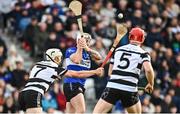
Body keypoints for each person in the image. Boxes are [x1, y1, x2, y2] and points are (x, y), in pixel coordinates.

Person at [18, 48, 103, 113]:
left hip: (23, 93)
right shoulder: (53, 68)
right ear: (51, 57)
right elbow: (76, 74)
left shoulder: (37, 65)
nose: (58, 60)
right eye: (57, 58)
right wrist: (95, 72)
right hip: (34, 93)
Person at [93, 27, 155, 113]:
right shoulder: (143, 53)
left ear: (130, 37)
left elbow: (110, 73)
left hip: (113, 87)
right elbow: (148, 70)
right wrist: (150, 83)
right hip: (129, 89)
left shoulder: (118, 50)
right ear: (142, 39)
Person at [63, 33, 102, 113]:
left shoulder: (87, 53)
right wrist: (80, 47)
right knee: (81, 110)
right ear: (78, 41)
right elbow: (77, 60)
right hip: (72, 84)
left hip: (80, 84)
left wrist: (87, 49)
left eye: (88, 41)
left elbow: (99, 57)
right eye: (85, 41)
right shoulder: (71, 50)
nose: (87, 42)